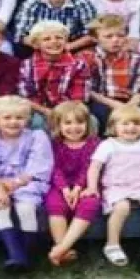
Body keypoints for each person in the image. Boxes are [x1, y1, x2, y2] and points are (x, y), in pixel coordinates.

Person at [87, 104, 140, 266]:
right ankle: (112, 244)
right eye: (125, 124)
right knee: (121, 208)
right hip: (116, 185)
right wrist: (92, 187)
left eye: (137, 123)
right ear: (113, 126)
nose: (131, 127)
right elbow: (94, 167)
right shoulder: (108, 145)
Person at [0, 95, 54, 272]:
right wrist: (0, 190)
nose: (13, 122)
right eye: (7, 117)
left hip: (26, 181)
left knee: (26, 208)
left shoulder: (36, 137)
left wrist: (15, 183)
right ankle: (16, 255)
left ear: (27, 119)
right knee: (0, 206)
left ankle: (28, 251)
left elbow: (37, 165)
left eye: (19, 117)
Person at [43, 101, 100, 266]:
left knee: (90, 203)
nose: (74, 127)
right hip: (59, 185)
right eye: (67, 123)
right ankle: (63, 248)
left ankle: (61, 248)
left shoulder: (94, 143)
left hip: (86, 184)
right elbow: (54, 168)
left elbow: (89, 167)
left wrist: (77, 188)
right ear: (58, 125)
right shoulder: (54, 144)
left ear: (87, 124)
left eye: (79, 122)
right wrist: (65, 189)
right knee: (54, 204)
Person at [17, 21, 90, 128]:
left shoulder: (79, 65)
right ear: (36, 45)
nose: (54, 42)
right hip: (38, 110)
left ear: (66, 41)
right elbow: (25, 96)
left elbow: (79, 97)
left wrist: (61, 113)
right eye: (47, 39)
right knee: (37, 122)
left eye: (59, 38)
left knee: (91, 121)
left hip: (69, 109)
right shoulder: (27, 65)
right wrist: (46, 111)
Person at [81, 15, 140, 128]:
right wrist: (116, 105)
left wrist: (130, 107)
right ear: (96, 38)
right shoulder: (87, 57)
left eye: (120, 35)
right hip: (102, 100)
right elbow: (89, 90)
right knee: (101, 113)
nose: (115, 40)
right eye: (108, 36)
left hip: (130, 101)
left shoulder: (136, 58)